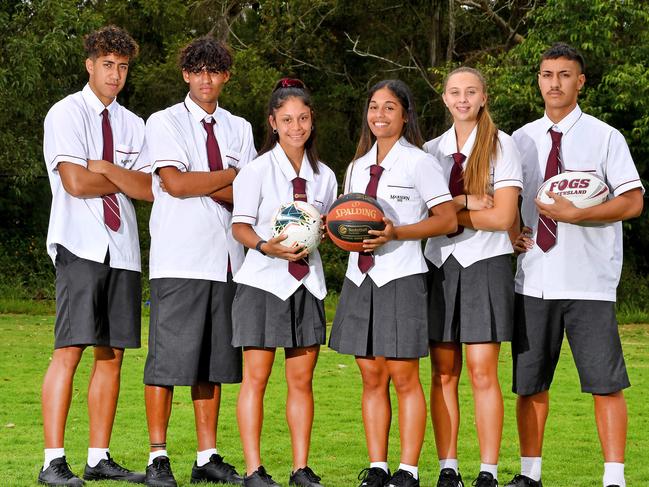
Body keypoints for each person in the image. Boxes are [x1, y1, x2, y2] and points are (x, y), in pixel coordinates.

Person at [504, 43, 643, 487]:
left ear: (580, 81)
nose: (555, 83)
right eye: (547, 75)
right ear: (539, 80)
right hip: (534, 279)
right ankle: (529, 475)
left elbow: (634, 201)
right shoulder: (519, 140)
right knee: (530, 385)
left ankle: (614, 478)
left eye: (565, 75)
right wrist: (509, 231)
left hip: (589, 282)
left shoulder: (606, 137)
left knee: (605, 384)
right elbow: (509, 200)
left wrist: (579, 214)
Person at [329, 79, 457, 487]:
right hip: (359, 276)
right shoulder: (355, 166)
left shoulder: (420, 162)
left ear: (405, 115)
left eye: (389, 107)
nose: (379, 114)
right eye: (373, 106)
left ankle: (409, 470)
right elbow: (344, 223)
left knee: (404, 376)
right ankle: (378, 467)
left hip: (400, 277)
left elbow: (447, 219)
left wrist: (396, 233)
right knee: (370, 376)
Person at [142, 35, 256, 487]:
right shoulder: (164, 121)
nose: (206, 79)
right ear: (186, 75)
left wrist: (212, 181)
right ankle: (157, 456)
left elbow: (247, 196)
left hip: (227, 260)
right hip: (179, 259)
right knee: (168, 361)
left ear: (225, 75)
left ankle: (207, 456)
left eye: (215, 70)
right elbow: (175, 183)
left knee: (213, 363)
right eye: (198, 70)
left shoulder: (240, 128)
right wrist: (229, 176)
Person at [40, 25, 151, 486]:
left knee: (111, 355)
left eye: (123, 67)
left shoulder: (134, 124)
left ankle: (98, 456)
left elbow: (149, 189)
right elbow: (75, 183)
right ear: (90, 65)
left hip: (121, 249)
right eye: (108, 65)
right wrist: (120, 176)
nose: (115, 75)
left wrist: (105, 167)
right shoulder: (65, 113)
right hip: (80, 243)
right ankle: (52, 461)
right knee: (69, 349)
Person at [231, 78, 337, 487]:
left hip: (307, 283)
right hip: (262, 284)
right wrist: (264, 246)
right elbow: (239, 226)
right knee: (255, 379)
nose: (297, 127)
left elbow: (322, 226)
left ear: (312, 121)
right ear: (273, 122)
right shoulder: (255, 171)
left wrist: (325, 232)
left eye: (304, 118)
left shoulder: (325, 176)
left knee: (301, 381)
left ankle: (300, 468)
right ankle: (254, 469)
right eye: (287, 119)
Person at [423, 67, 522, 487]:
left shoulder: (503, 145)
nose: (462, 99)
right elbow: (421, 217)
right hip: (439, 264)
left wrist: (449, 215)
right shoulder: (429, 150)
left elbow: (503, 217)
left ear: (484, 97)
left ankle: (487, 471)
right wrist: (462, 208)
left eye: (471, 91)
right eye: (454, 92)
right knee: (444, 372)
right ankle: (449, 468)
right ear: (444, 99)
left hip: (486, 264)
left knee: (484, 372)